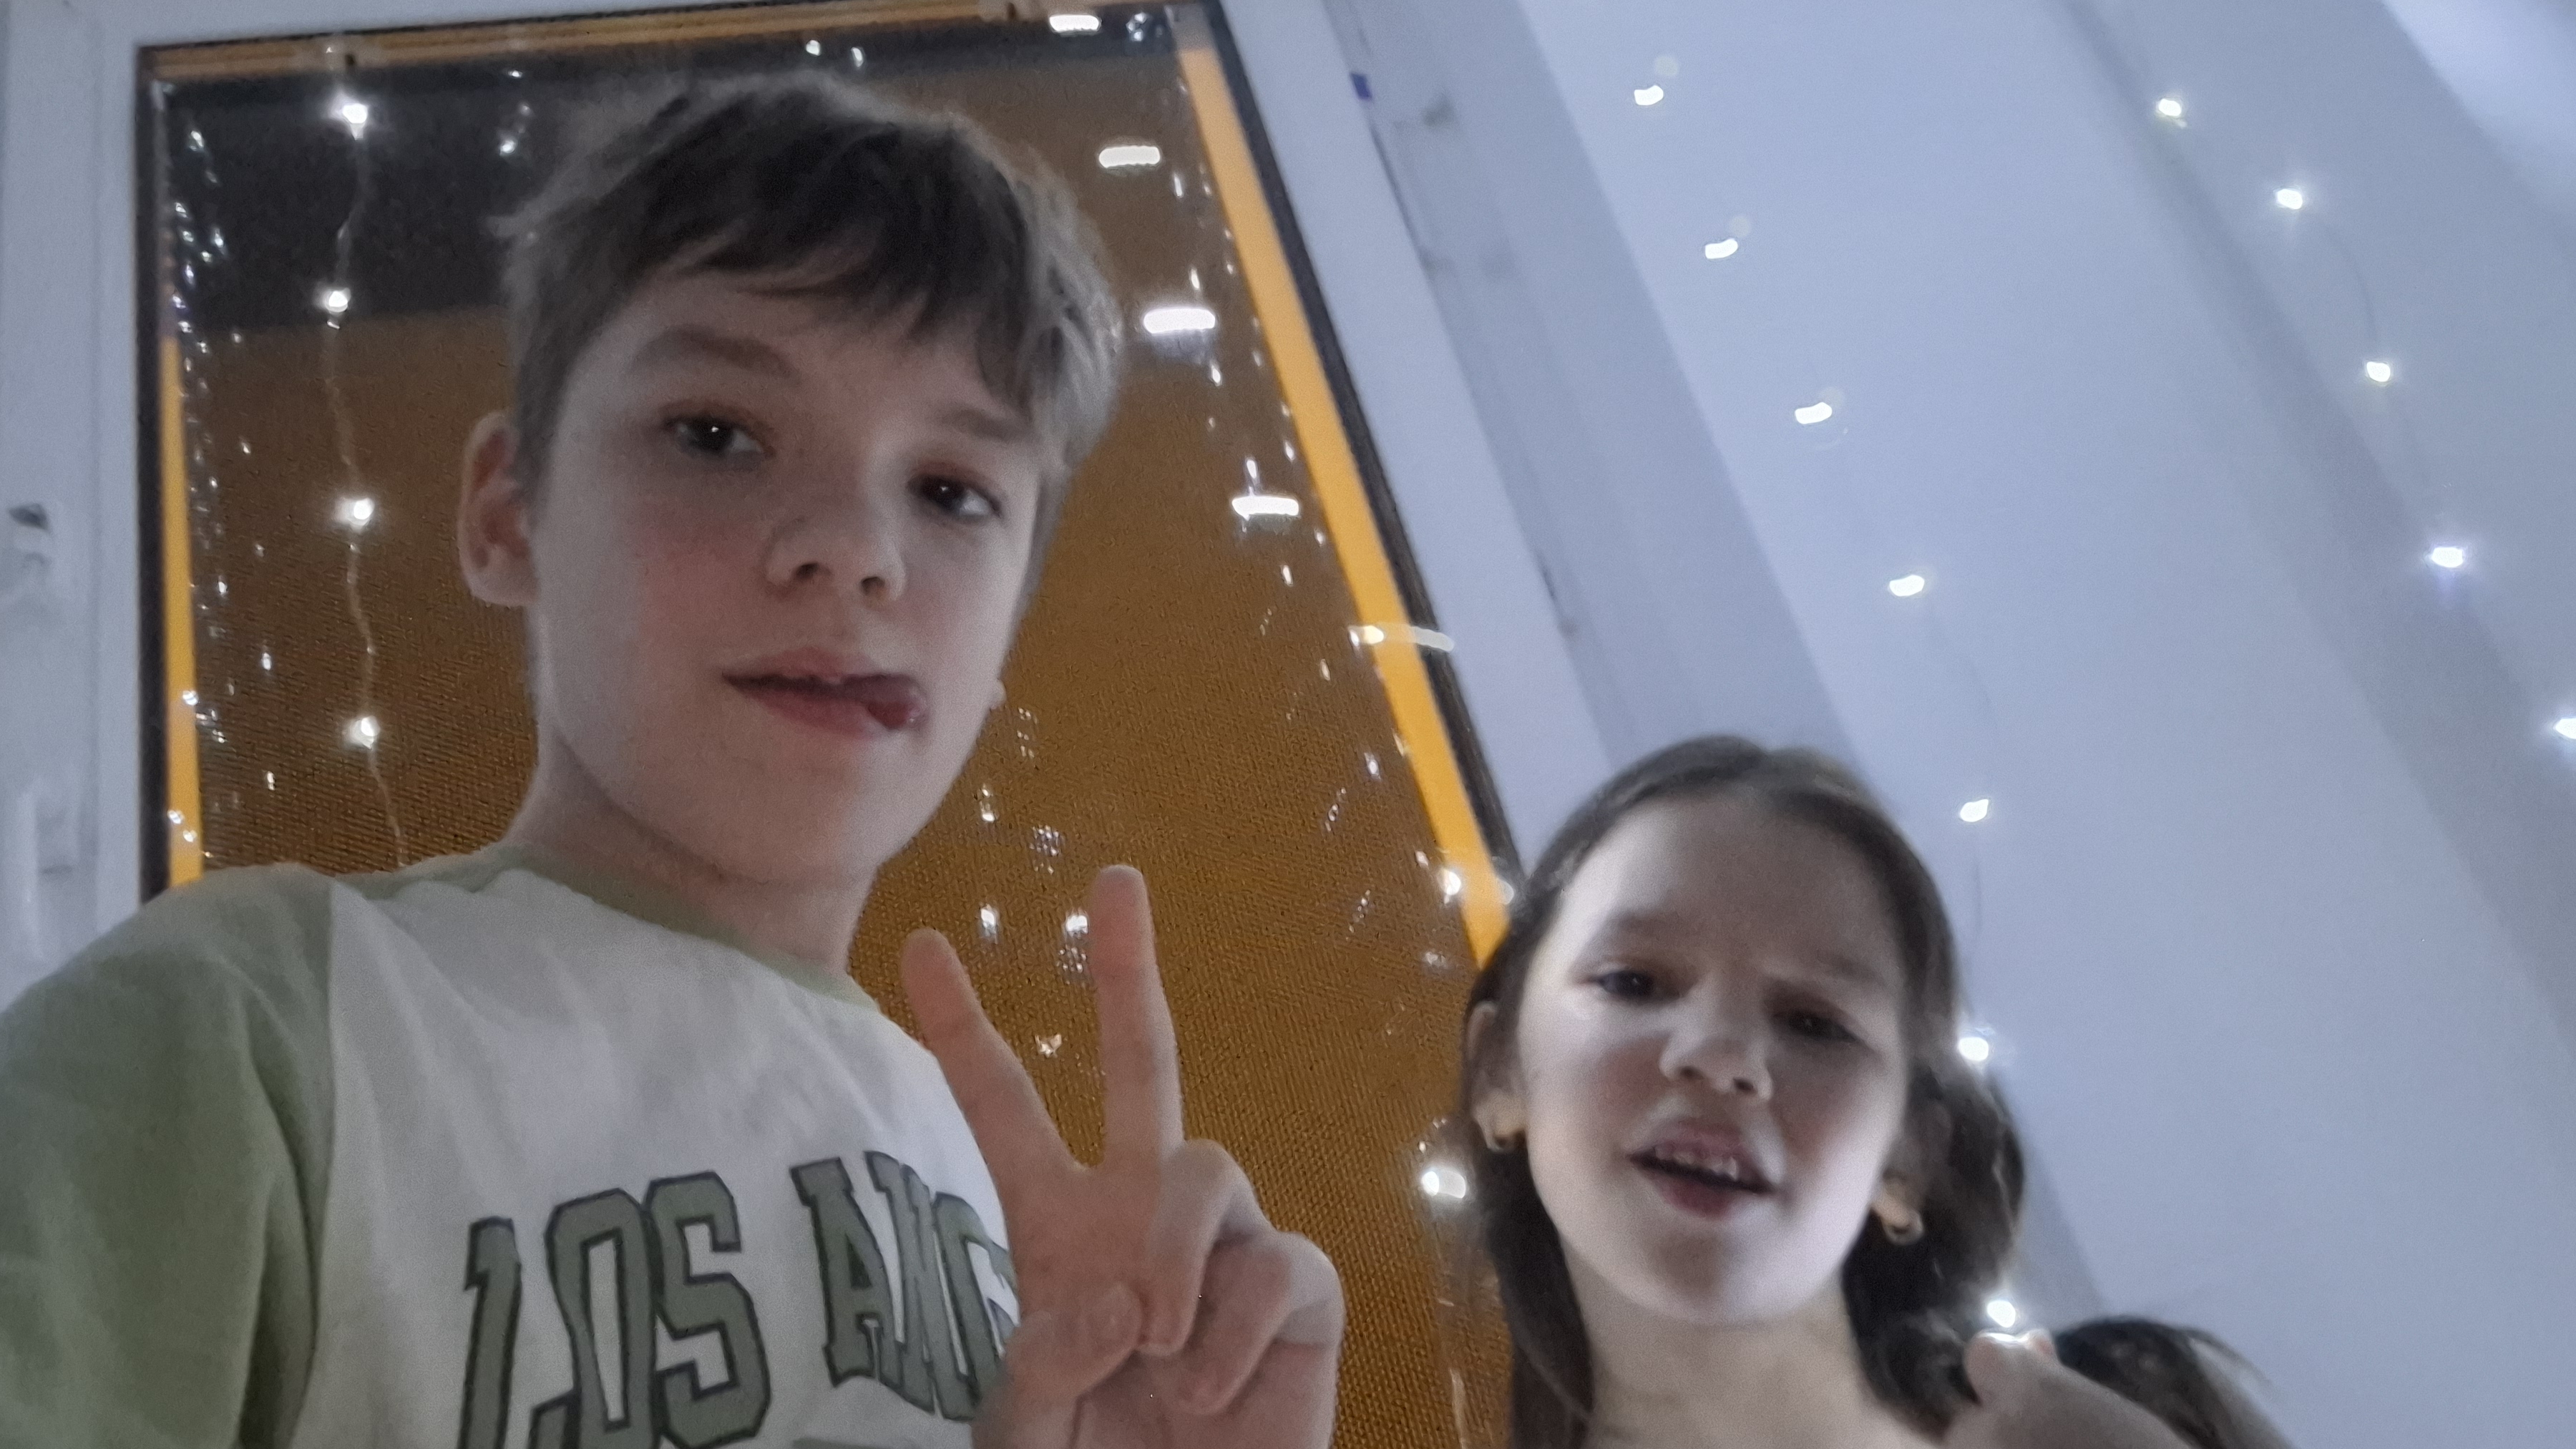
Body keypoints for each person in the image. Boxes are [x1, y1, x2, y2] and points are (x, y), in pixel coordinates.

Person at [0, 78, 1340, 1448]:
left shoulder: (1021, 1225)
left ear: (1007, 629)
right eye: (717, 435)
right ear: (509, 509)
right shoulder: (252, 1026)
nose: (853, 548)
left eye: (951, 491)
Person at [1455, 735, 2289, 1449]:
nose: (1722, 1056)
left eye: (1815, 1024)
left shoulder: (2146, 1408)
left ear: (1909, 1155)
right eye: (1633, 982)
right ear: (1498, 1069)